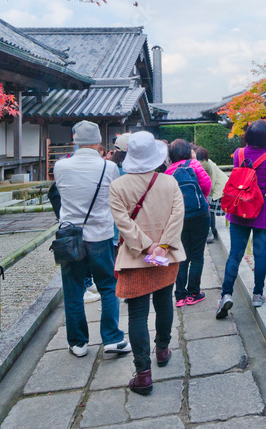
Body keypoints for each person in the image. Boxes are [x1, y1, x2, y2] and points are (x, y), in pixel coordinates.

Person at [109, 132, 186, 396]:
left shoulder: (118, 186)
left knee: (137, 314)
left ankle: (143, 373)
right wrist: (162, 246)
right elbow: (178, 216)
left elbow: (123, 224)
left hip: (135, 258)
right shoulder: (169, 182)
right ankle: (162, 350)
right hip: (166, 256)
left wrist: (146, 246)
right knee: (165, 302)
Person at [53, 120, 129, 357]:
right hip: (101, 234)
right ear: (98, 142)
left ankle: (78, 342)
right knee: (108, 285)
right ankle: (112, 338)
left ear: (75, 139)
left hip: (70, 236)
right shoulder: (110, 168)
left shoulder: (60, 166)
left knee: (74, 288)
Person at [217, 120, 266, 319]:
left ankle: (226, 294)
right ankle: (257, 294)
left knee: (235, 254)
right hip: (262, 213)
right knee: (260, 255)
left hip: (239, 210)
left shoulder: (239, 154)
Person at [164, 139, 212, 307]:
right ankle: (193, 293)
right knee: (197, 255)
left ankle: (180, 296)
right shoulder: (193, 164)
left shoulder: (168, 172)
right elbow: (207, 184)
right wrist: (201, 200)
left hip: (179, 218)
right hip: (200, 214)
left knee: (181, 255)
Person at [195, 145, 228, 244]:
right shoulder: (206, 162)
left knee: (211, 210)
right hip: (219, 186)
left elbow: (211, 181)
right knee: (211, 211)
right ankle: (212, 230)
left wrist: (206, 193)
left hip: (219, 187)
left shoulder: (205, 164)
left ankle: (211, 232)